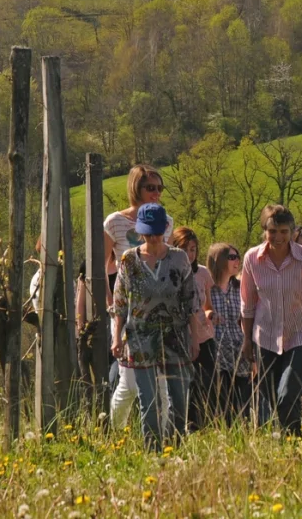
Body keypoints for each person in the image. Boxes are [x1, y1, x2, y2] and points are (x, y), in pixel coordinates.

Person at [112, 203, 199, 449]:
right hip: (140, 337)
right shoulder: (129, 260)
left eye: (157, 232)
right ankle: (153, 451)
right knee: (148, 399)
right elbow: (120, 302)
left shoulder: (179, 258)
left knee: (179, 398)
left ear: (165, 231)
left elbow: (191, 300)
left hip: (175, 336)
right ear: (140, 232)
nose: (153, 238)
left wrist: (194, 338)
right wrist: (117, 337)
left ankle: (175, 447)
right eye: (148, 233)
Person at [241, 204, 302, 435]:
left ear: (291, 231)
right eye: (272, 231)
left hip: (301, 336)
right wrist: (247, 340)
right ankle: (293, 441)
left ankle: (292, 443)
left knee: (286, 394)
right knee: (272, 397)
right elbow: (248, 304)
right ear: (264, 231)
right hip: (266, 337)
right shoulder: (252, 258)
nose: (278, 237)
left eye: (283, 231)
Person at [104, 165, 173, 430]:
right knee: (129, 384)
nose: (156, 193)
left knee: (163, 384)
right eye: (150, 188)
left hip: (160, 313)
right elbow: (102, 268)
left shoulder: (166, 222)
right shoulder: (114, 222)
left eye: (159, 188)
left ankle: (164, 438)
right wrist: (112, 305)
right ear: (136, 188)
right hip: (128, 311)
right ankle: (116, 436)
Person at [173, 227, 217, 429]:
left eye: (193, 249)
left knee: (206, 384)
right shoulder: (170, 273)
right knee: (183, 384)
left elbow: (207, 304)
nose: (189, 255)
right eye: (184, 249)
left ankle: (200, 425)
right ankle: (182, 425)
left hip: (204, 335)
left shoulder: (203, 273)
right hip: (181, 337)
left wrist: (210, 314)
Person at [207, 242, 251, 422]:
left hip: (240, 351)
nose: (237, 261)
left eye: (238, 257)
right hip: (216, 352)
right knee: (221, 404)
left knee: (243, 404)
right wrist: (208, 314)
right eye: (232, 257)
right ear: (219, 260)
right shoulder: (207, 287)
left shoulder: (241, 288)